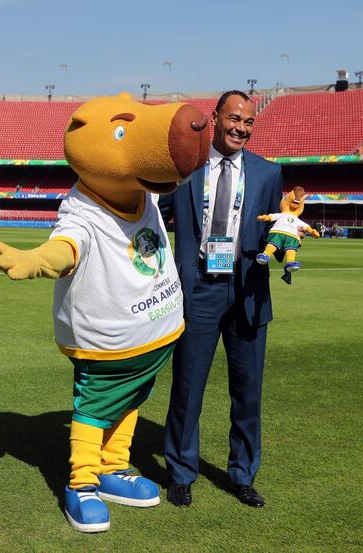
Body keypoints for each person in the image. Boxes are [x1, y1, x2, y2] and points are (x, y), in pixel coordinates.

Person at [160, 90, 282, 509]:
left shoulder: (269, 174)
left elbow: (273, 234)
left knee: (248, 393)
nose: (241, 128)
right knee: (187, 388)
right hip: (199, 289)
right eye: (234, 119)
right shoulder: (185, 171)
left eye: (248, 122)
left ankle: (243, 475)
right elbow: (151, 216)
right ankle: (180, 473)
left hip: (248, 291)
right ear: (215, 118)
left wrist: (286, 239)